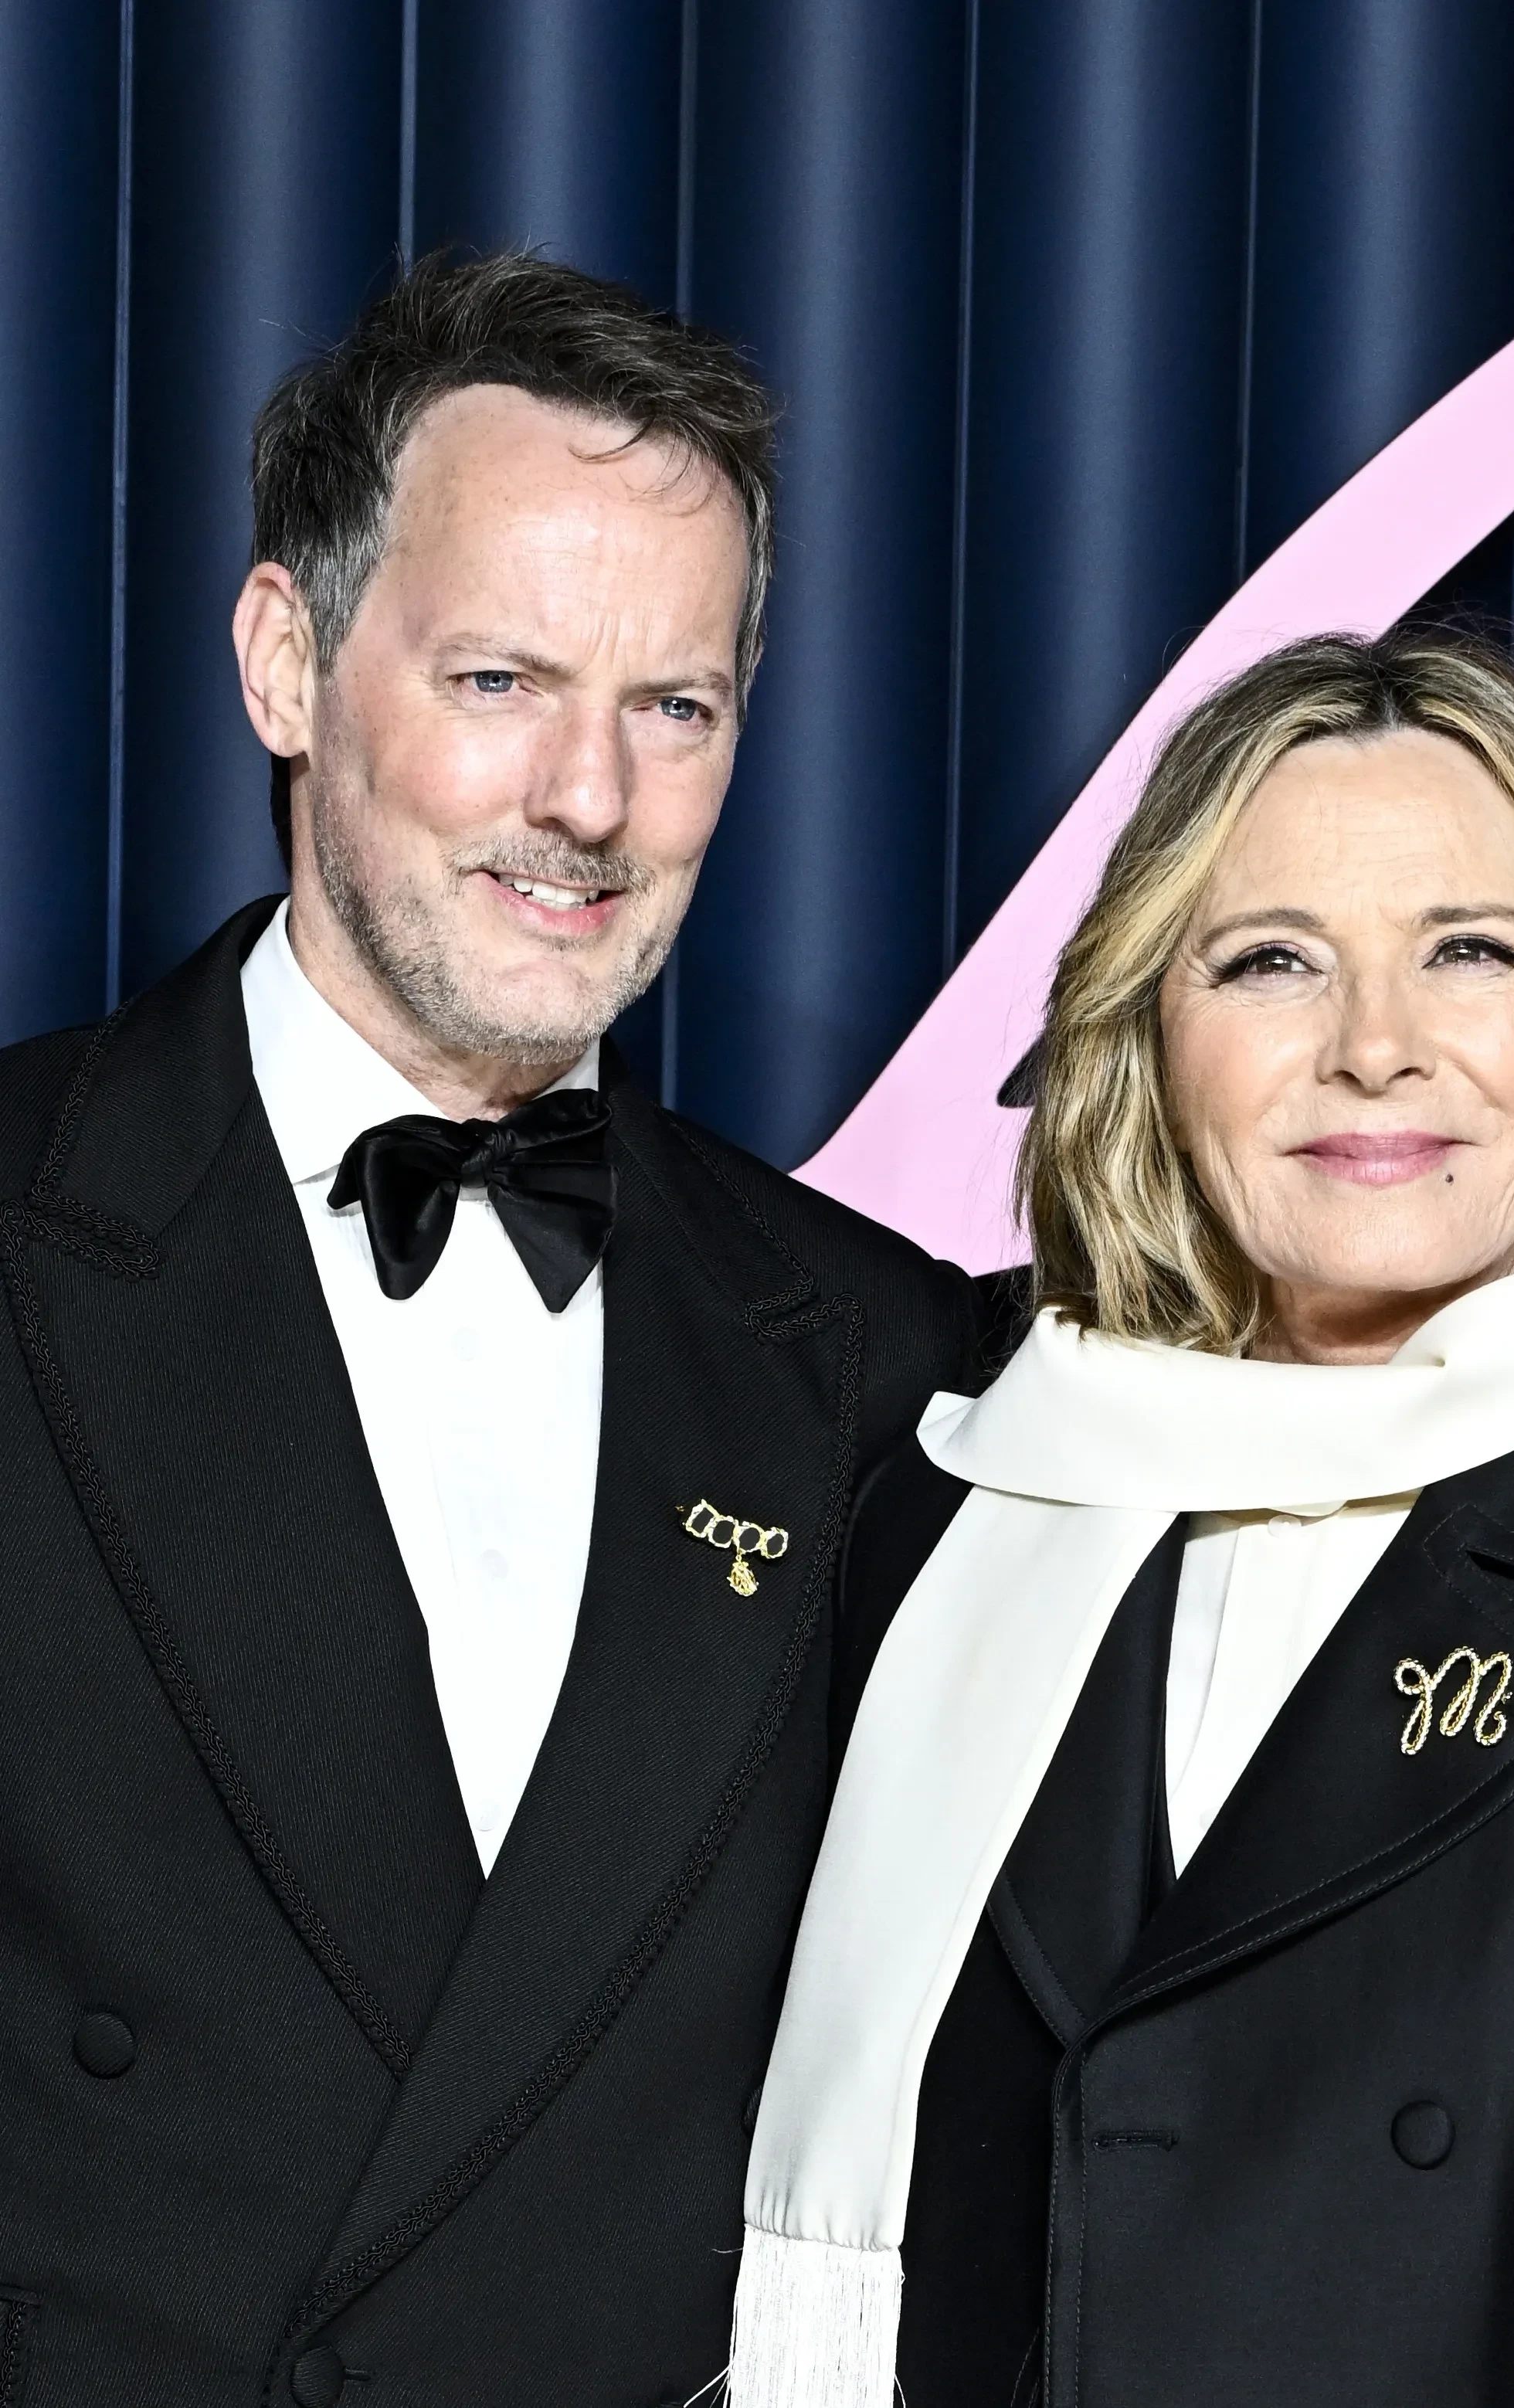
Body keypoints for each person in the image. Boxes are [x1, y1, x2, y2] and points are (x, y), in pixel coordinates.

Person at [0, 252, 978, 2406]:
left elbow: (1114, 2026)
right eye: (501, 678)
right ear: (287, 660)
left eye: (675, 707)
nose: (590, 799)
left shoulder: (880, 1360)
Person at [725, 630, 1514, 2408]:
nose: (1374, 1049)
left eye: (1469, 951)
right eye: (1272, 961)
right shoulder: (948, 1502)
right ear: (1154, 1039)